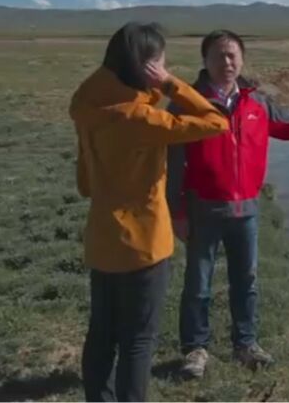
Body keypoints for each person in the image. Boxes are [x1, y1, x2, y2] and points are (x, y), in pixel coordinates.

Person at [166, 30, 289, 378]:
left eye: (232, 55)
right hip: (203, 209)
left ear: (242, 60)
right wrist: (177, 212)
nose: (226, 62)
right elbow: (173, 163)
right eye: (218, 56)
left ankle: (245, 344)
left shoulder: (256, 103)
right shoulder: (188, 103)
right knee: (198, 283)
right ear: (205, 61)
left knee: (247, 281)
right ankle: (195, 350)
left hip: (247, 209)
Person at [69, 22, 231, 402]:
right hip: (143, 247)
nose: (165, 67)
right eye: (160, 62)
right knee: (138, 341)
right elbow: (216, 121)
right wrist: (171, 84)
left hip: (102, 240)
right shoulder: (141, 121)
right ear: (146, 68)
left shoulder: (86, 104)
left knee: (102, 334)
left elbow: (106, 89)